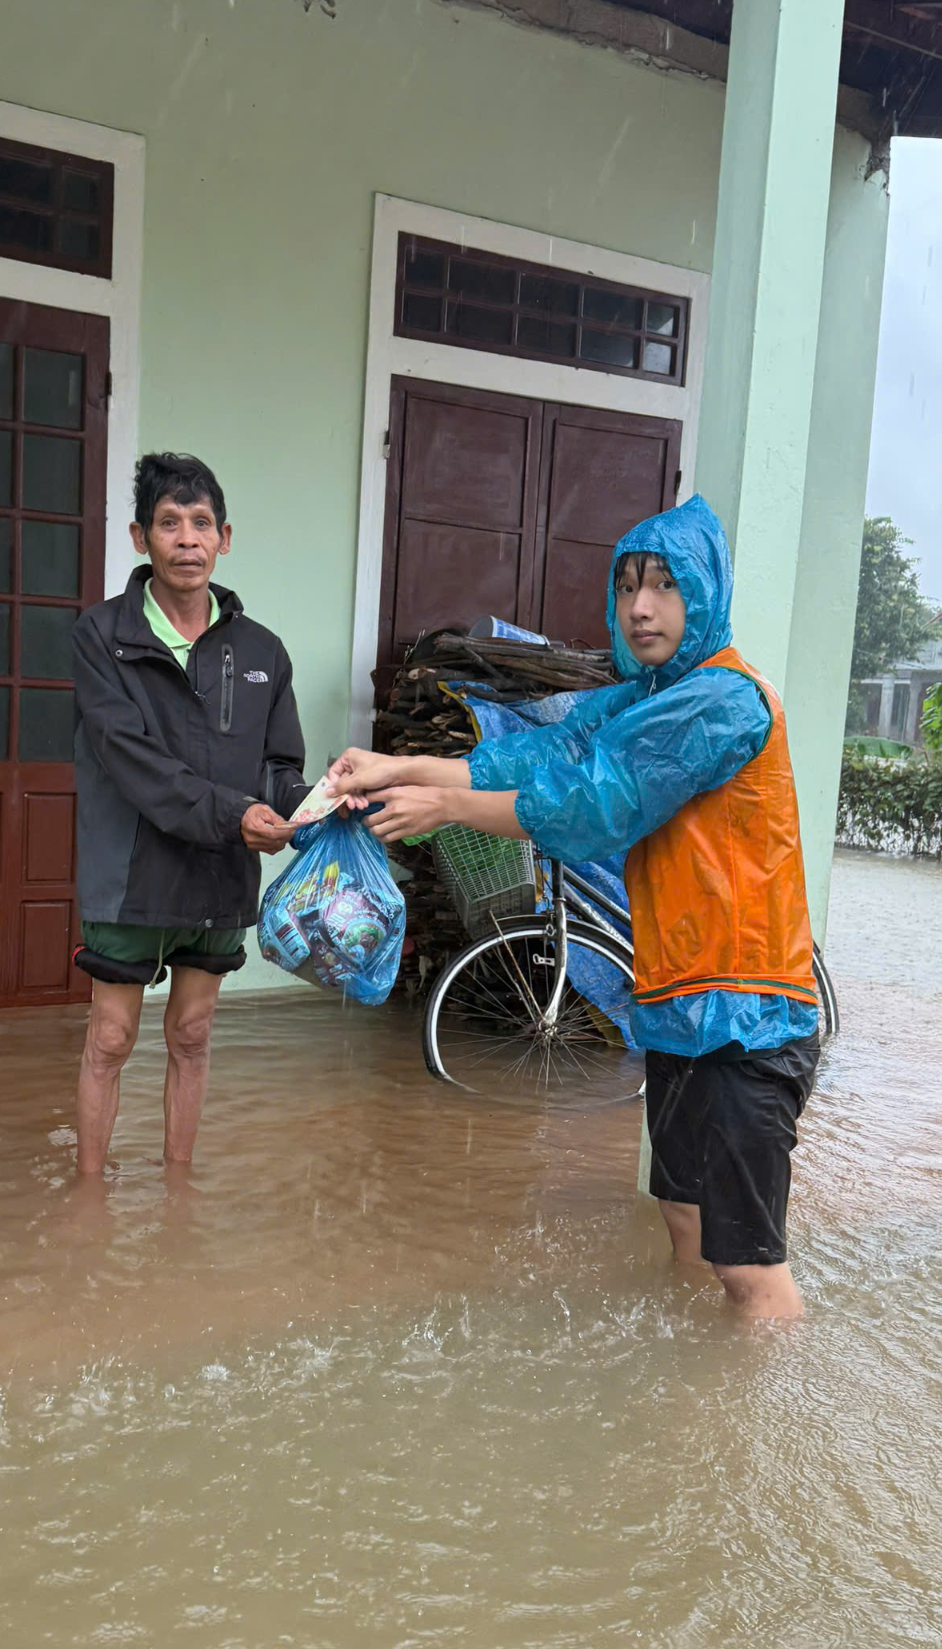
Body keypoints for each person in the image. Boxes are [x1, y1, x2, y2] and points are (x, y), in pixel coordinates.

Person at [326, 495, 819, 1321]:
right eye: (628, 586)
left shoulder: (724, 701)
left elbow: (596, 802)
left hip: (748, 1016)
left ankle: (761, 1436)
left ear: (707, 596)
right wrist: (396, 765)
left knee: (749, 1271)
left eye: (666, 585)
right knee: (686, 1225)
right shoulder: (648, 694)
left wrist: (440, 809)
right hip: (675, 1009)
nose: (640, 607)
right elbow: (547, 750)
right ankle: (692, 1414)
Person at [70, 451, 308, 1172]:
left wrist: (321, 806)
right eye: (168, 523)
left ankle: (178, 1189)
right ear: (141, 538)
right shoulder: (102, 637)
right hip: (129, 871)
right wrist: (235, 815)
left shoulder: (262, 650)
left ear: (224, 537)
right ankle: (88, 1194)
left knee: (194, 1033)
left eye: (200, 523)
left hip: (217, 874)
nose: (187, 539)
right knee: (111, 1039)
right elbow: (132, 760)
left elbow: (278, 766)